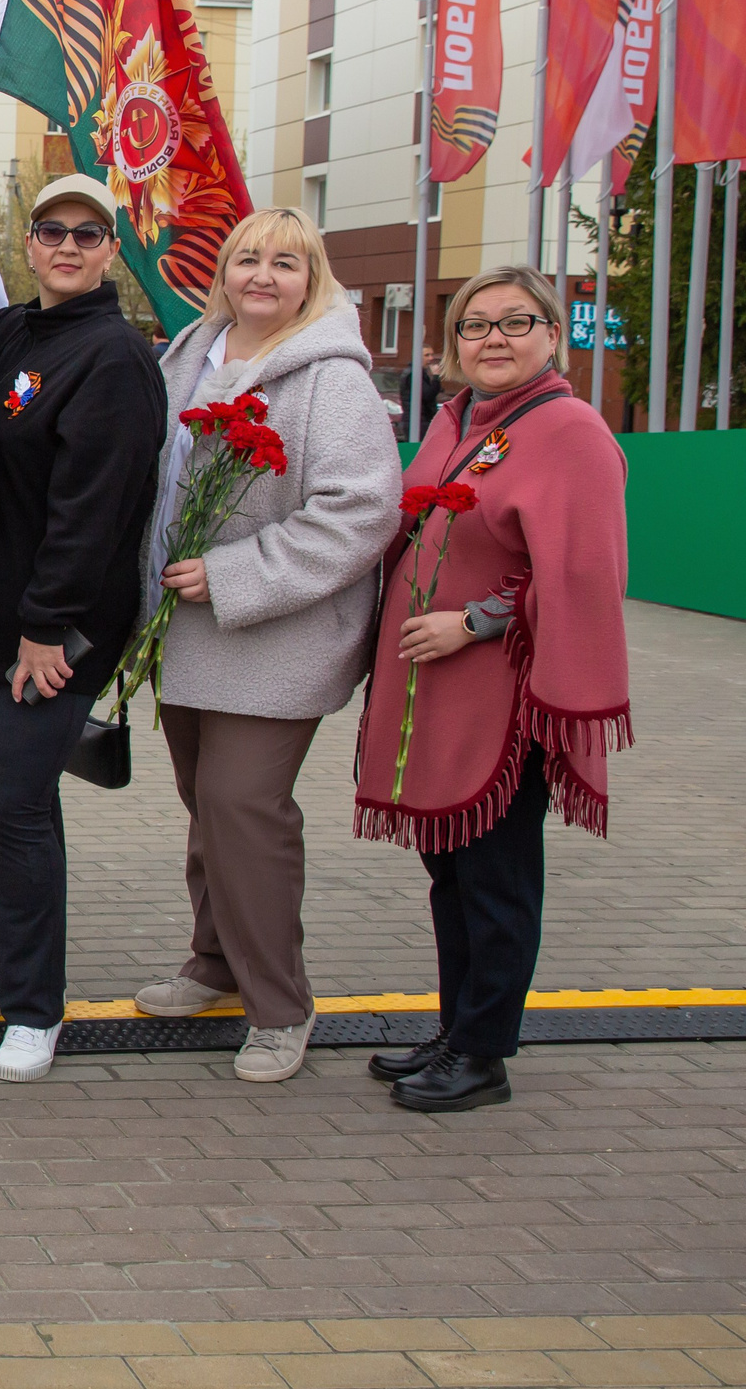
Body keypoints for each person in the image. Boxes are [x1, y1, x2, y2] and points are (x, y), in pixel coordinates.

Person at [354, 266, 630, 1113]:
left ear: (553, 334)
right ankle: (454, 1028)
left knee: (497, 876)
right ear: (452, 346)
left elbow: (584, 571)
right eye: (476, 326)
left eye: (516, 322)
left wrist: (475, 622)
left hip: (503, 693)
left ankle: (484, 1052)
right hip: (432, 693)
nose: (494, 339)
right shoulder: (456, 421)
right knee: (451, 870)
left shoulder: (569, 429)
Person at [133, 210, 400, 1082]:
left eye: (286, 262)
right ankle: (214, 963)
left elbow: (361, 511)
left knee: (245, 811)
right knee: (208, 810)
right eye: (248, 257)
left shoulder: (331, 380)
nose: (263, 274)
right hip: (185, 634)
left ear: (312, 278)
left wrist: (238, 573)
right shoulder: (189, 357)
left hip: (271, 637)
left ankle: (280, 1005)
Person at [0, 174, 165, 1083]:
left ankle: (36, 1009)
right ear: (28, 244)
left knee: (5, 800)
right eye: (50, 231)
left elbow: (93, 510)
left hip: (52, 631)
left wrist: (48, 628)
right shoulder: (6, 334)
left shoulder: (114, 355)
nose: (67, 246)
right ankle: (20, 968)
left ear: (111, 249)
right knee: (25, 808)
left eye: (88, 233)